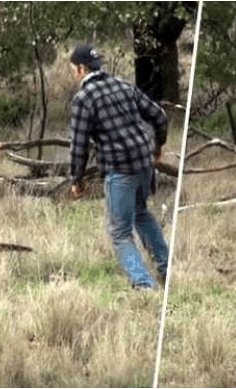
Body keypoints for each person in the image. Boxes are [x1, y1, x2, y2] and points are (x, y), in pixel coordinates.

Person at [68, 44, 170, 290]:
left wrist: (76, 180)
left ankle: (144, 284)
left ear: (82, 70)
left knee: (120, 232)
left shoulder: (83, 99)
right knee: (141, 213)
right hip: (144, 164)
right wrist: (158, 147)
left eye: (74, 69)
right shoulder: (124, 86)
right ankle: (168, 269)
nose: (73, 74)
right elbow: (159, 116)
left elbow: (79, 146)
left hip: (120, 170)